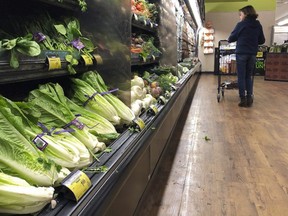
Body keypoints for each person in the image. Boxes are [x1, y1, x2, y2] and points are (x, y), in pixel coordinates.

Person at [228, 5, 265, 107]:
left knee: (241, 77)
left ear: (246, 14)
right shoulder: (258, 25)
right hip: (252, 53)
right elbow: (262, 40)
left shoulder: (241, 24)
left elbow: (231, 38)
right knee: (248, 76)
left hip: (241, 53)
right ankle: (249, 97)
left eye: (240, 14)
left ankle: (243, 99)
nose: (240, 17)